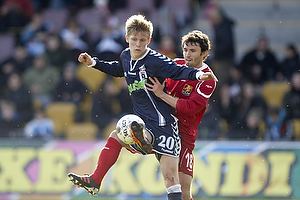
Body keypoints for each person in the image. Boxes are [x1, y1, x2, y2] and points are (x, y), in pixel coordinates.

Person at [68, 14, 217, 200]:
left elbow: (178, 72)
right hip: (144, 121)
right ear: (126, 38)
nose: (138, 44)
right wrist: (94, 63)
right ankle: (95, 180)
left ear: (149, 40)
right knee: (116, 135)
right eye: (134, 40)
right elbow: (118, 69)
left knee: (173, 181)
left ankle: (144, 142)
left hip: (166, 126)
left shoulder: (156, 60)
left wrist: (197, 76)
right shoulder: (125, 56)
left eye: (142, 40)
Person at [145, 30, 217, 200]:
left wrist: (162, 94)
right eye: (185, 49)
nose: (187, 54)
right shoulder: (175, 65)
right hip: (163, 127)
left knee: (184, 191)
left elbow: (190, 107)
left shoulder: (208, 79)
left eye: (193, 51)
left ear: (204, 53)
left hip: (184, 134)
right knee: (125, 138)